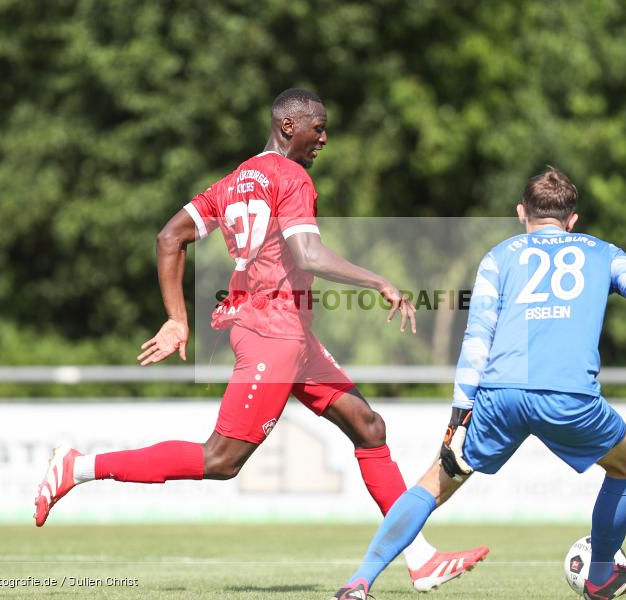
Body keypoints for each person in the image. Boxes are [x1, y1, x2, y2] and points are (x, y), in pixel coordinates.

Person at [33, 88, 487, 592]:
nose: (324, 137)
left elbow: (170, 237)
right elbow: (309, 255)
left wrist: (177, 318)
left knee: (369, 426)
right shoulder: (291, 176)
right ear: (289, 126)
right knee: (220, 460)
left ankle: (420, 559)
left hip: (290, 333)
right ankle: (78, 467)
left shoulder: (232, 181)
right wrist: (377, 280)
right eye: (318, 127)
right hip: (272, 334)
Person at [329, 167, 626, 600]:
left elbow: (477, 339)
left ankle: (357, 584)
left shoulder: (499, 256)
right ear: (572, 220)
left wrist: (457, 420)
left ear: (520, 213)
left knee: (433, 483)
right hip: (568, 395)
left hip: (500, 394)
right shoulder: (604, 252)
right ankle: (601, 577)